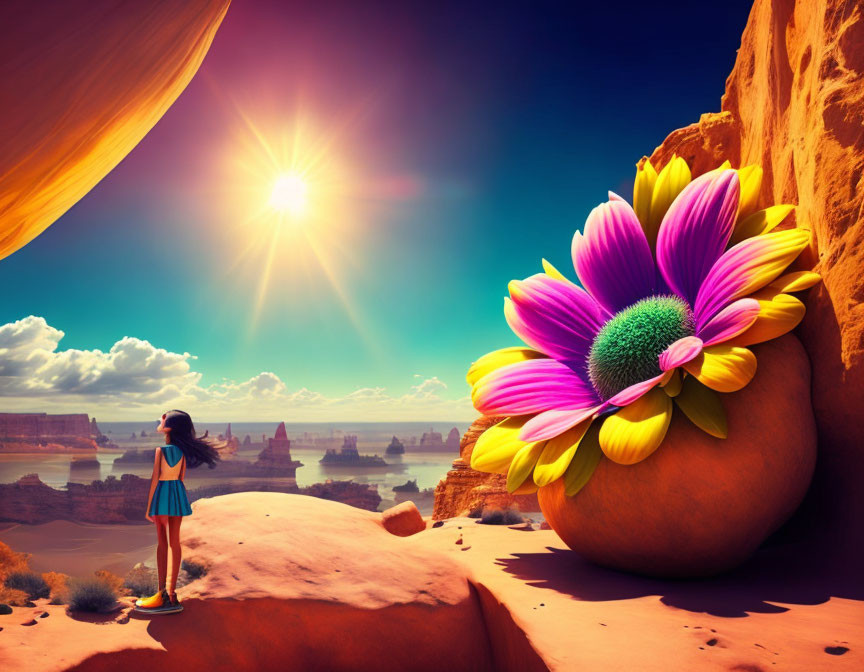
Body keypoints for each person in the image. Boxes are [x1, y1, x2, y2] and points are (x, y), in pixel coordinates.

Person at [135, 410, 221, 613]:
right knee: (175, 543)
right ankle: (173, 594)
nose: (160, 421)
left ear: (170, 426)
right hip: (177, 494)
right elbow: (181, 477)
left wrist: (149, 508)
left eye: (163, 419)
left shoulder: (161, 451)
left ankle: (160, 595)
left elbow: (155, 480)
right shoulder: (182, 451)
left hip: (163, 495)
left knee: (162, 544)